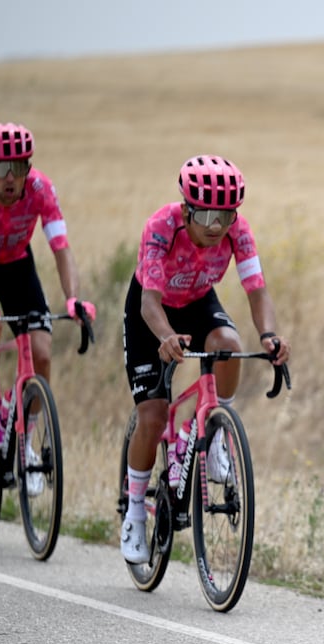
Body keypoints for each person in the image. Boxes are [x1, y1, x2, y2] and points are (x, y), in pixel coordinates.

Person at [119, 154, 290, 564]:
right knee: (154, 416)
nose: (217, 226)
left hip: (197, 302)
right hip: (151, 314)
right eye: (208, 214)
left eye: (226, 215)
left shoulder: (237, 231)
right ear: (187, 208)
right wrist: (164, 337)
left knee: (228, 343)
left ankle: (214, 432)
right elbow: (149, 301)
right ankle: (135, 511)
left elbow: (257, 290)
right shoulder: (161, 227)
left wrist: (269, 335)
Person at [0, 122, 95, 496]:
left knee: (42, 352)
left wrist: (73, 298)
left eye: (19, 166)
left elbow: (61, 247)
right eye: (1, 169)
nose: (11, 177)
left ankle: (25, 441)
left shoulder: (40, 189)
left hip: (17, 265)